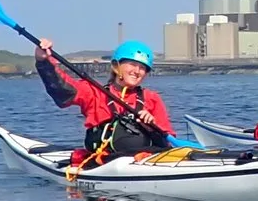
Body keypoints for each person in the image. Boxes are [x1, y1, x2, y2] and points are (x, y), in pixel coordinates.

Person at [33, 36, 173, 162]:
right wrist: (44, 61)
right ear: (116, 66)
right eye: (132, 64)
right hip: (104, 162)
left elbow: (168, 141)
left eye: (143, 68)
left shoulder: (152, 98)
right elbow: (62, 89)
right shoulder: (94, 92)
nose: (137, 71)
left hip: (143, 160)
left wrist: (153, 126)